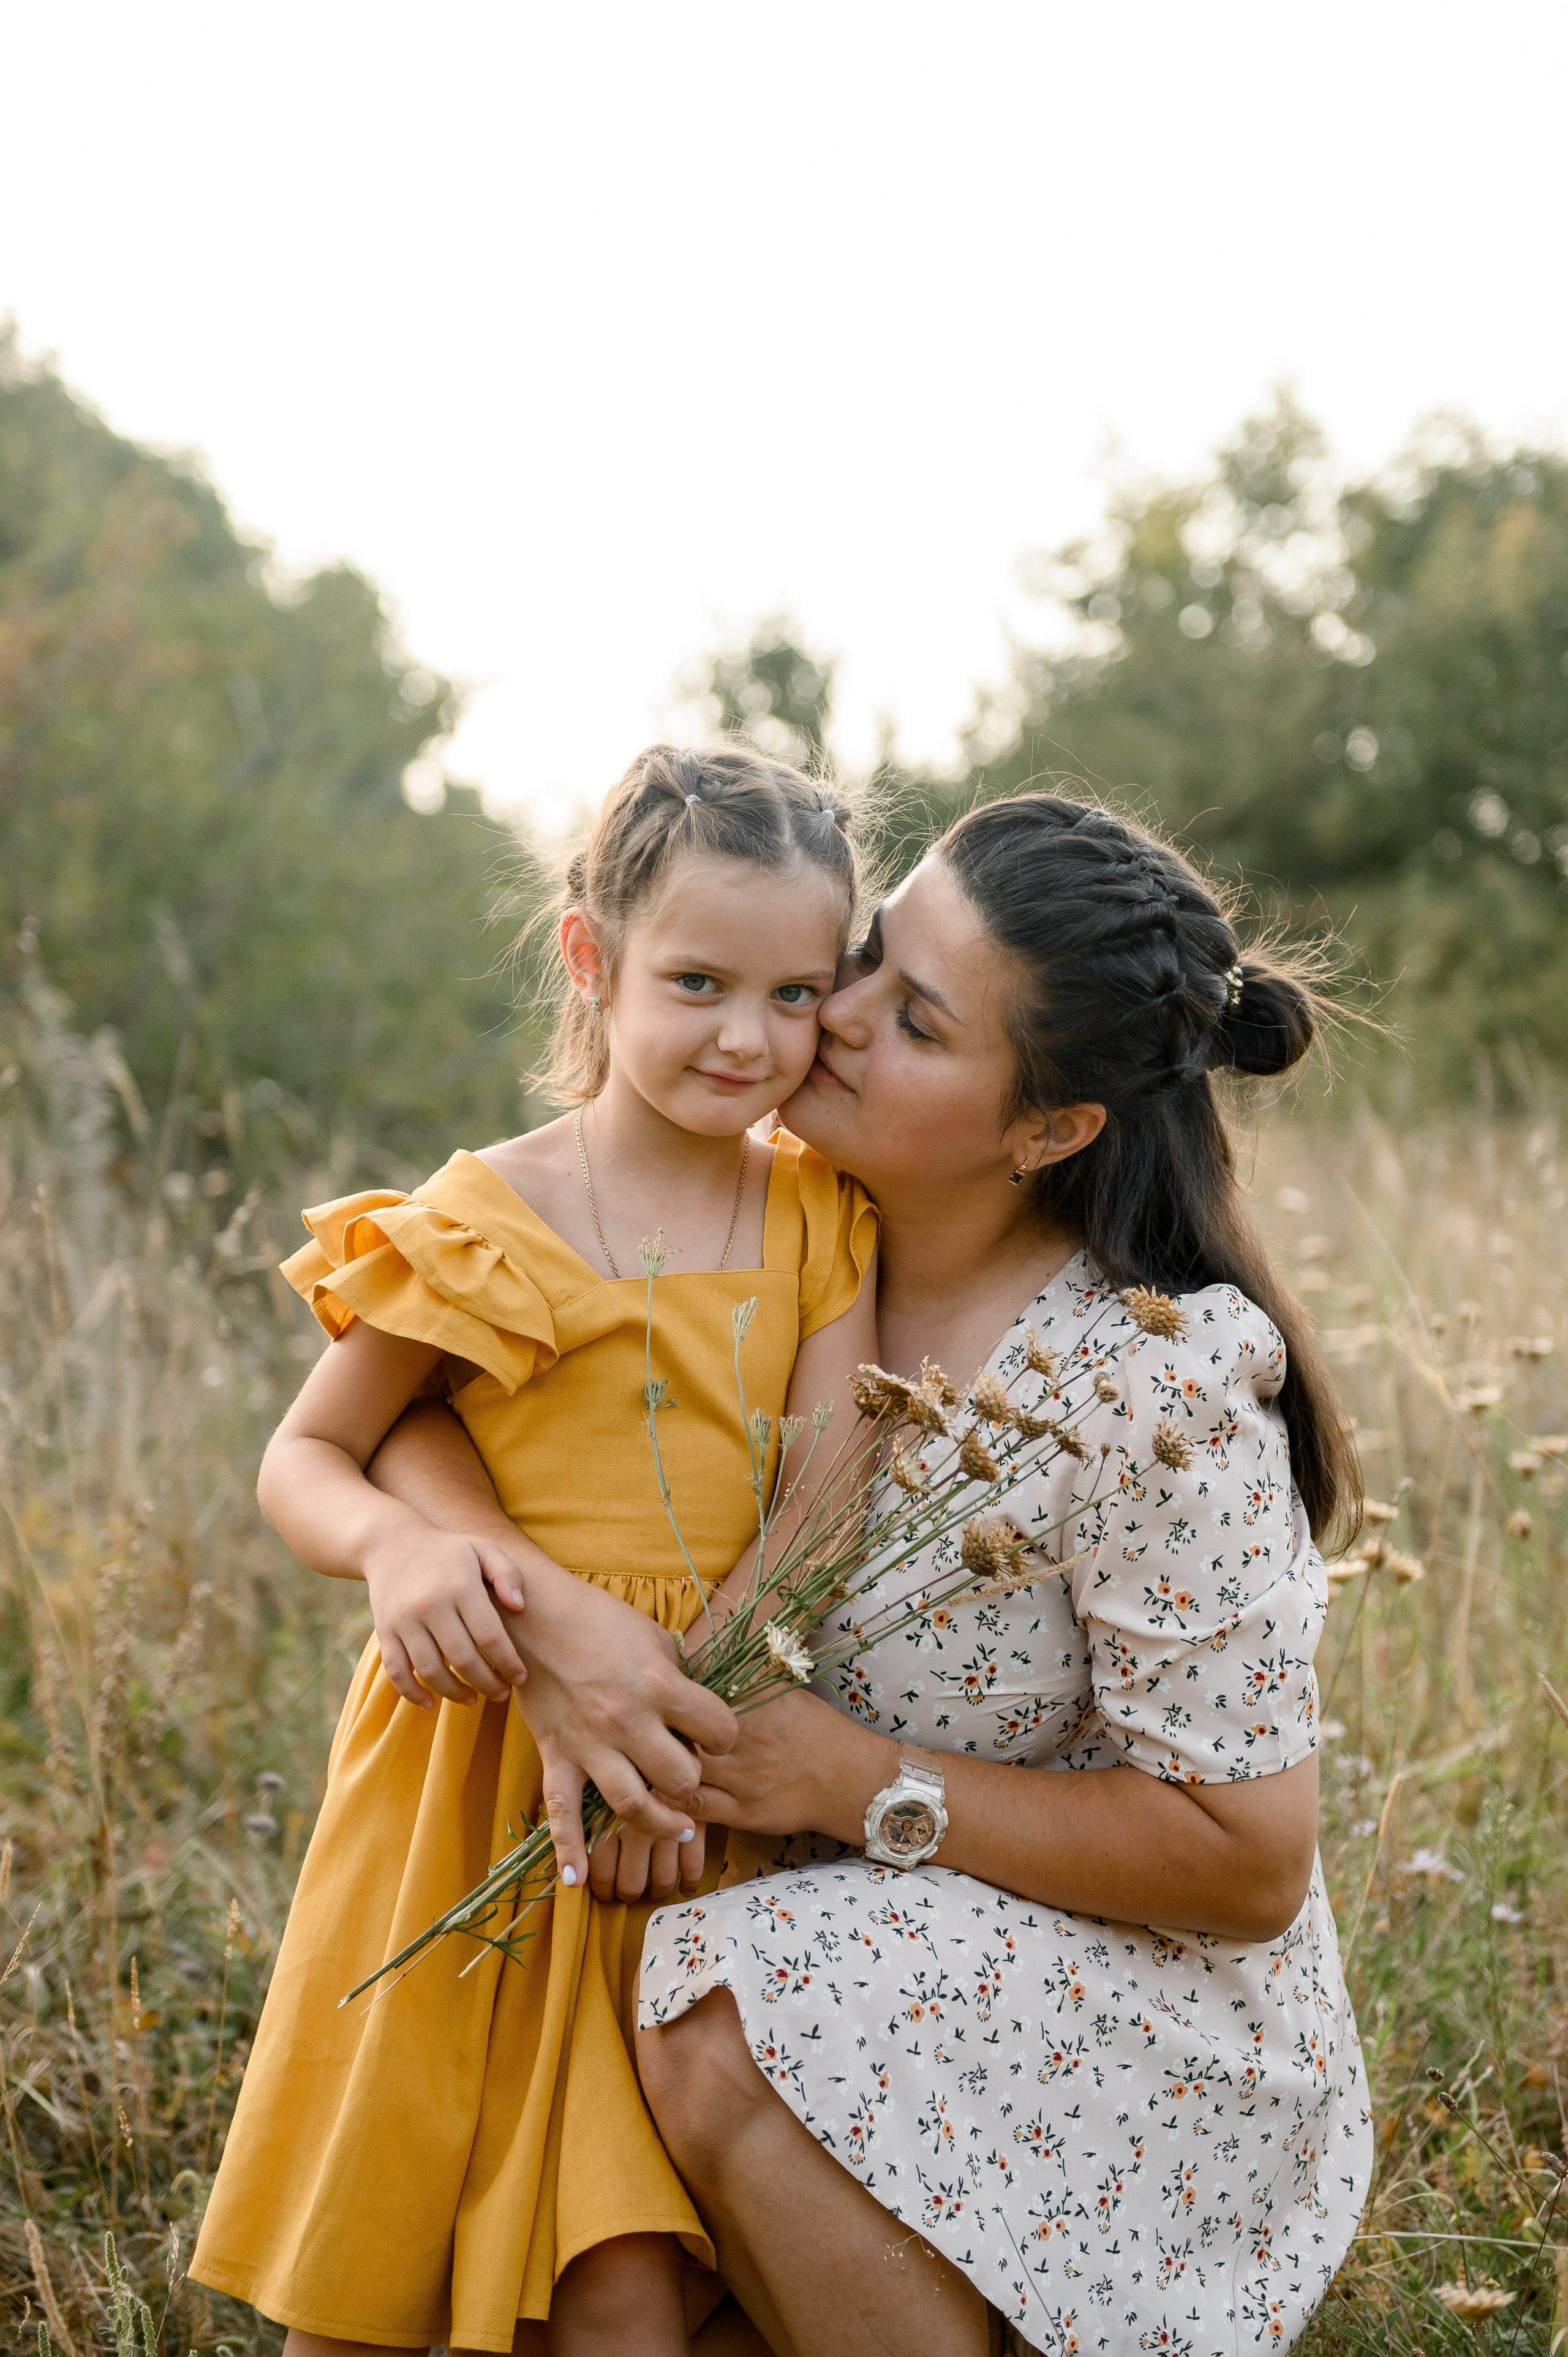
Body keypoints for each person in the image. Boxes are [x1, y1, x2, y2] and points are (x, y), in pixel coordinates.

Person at [379, 791, 1374, 2357]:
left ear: (1046, 1130)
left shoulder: (1147, 1395)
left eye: (908, 1019)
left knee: (719, 1998)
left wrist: (855, 1782)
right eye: (862, 958)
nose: (822, 1018)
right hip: (809, 1943)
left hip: (1121, 2025)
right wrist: (537, 1613)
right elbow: (426, 1405)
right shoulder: (751, 1213)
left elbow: (1247, 1865)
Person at [189, 743, 878, 2357]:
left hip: (680, 1786)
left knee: (621, 2281)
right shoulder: (487, 1216)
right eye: (697, 981)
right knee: (390, 2237)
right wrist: (394, 1559)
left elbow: (827, 1504)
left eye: (795, 996)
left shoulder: (817, 1216)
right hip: (467, 1778)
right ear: (592, 957)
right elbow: (309, 1456)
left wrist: (675, 1752)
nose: (747, 1037)